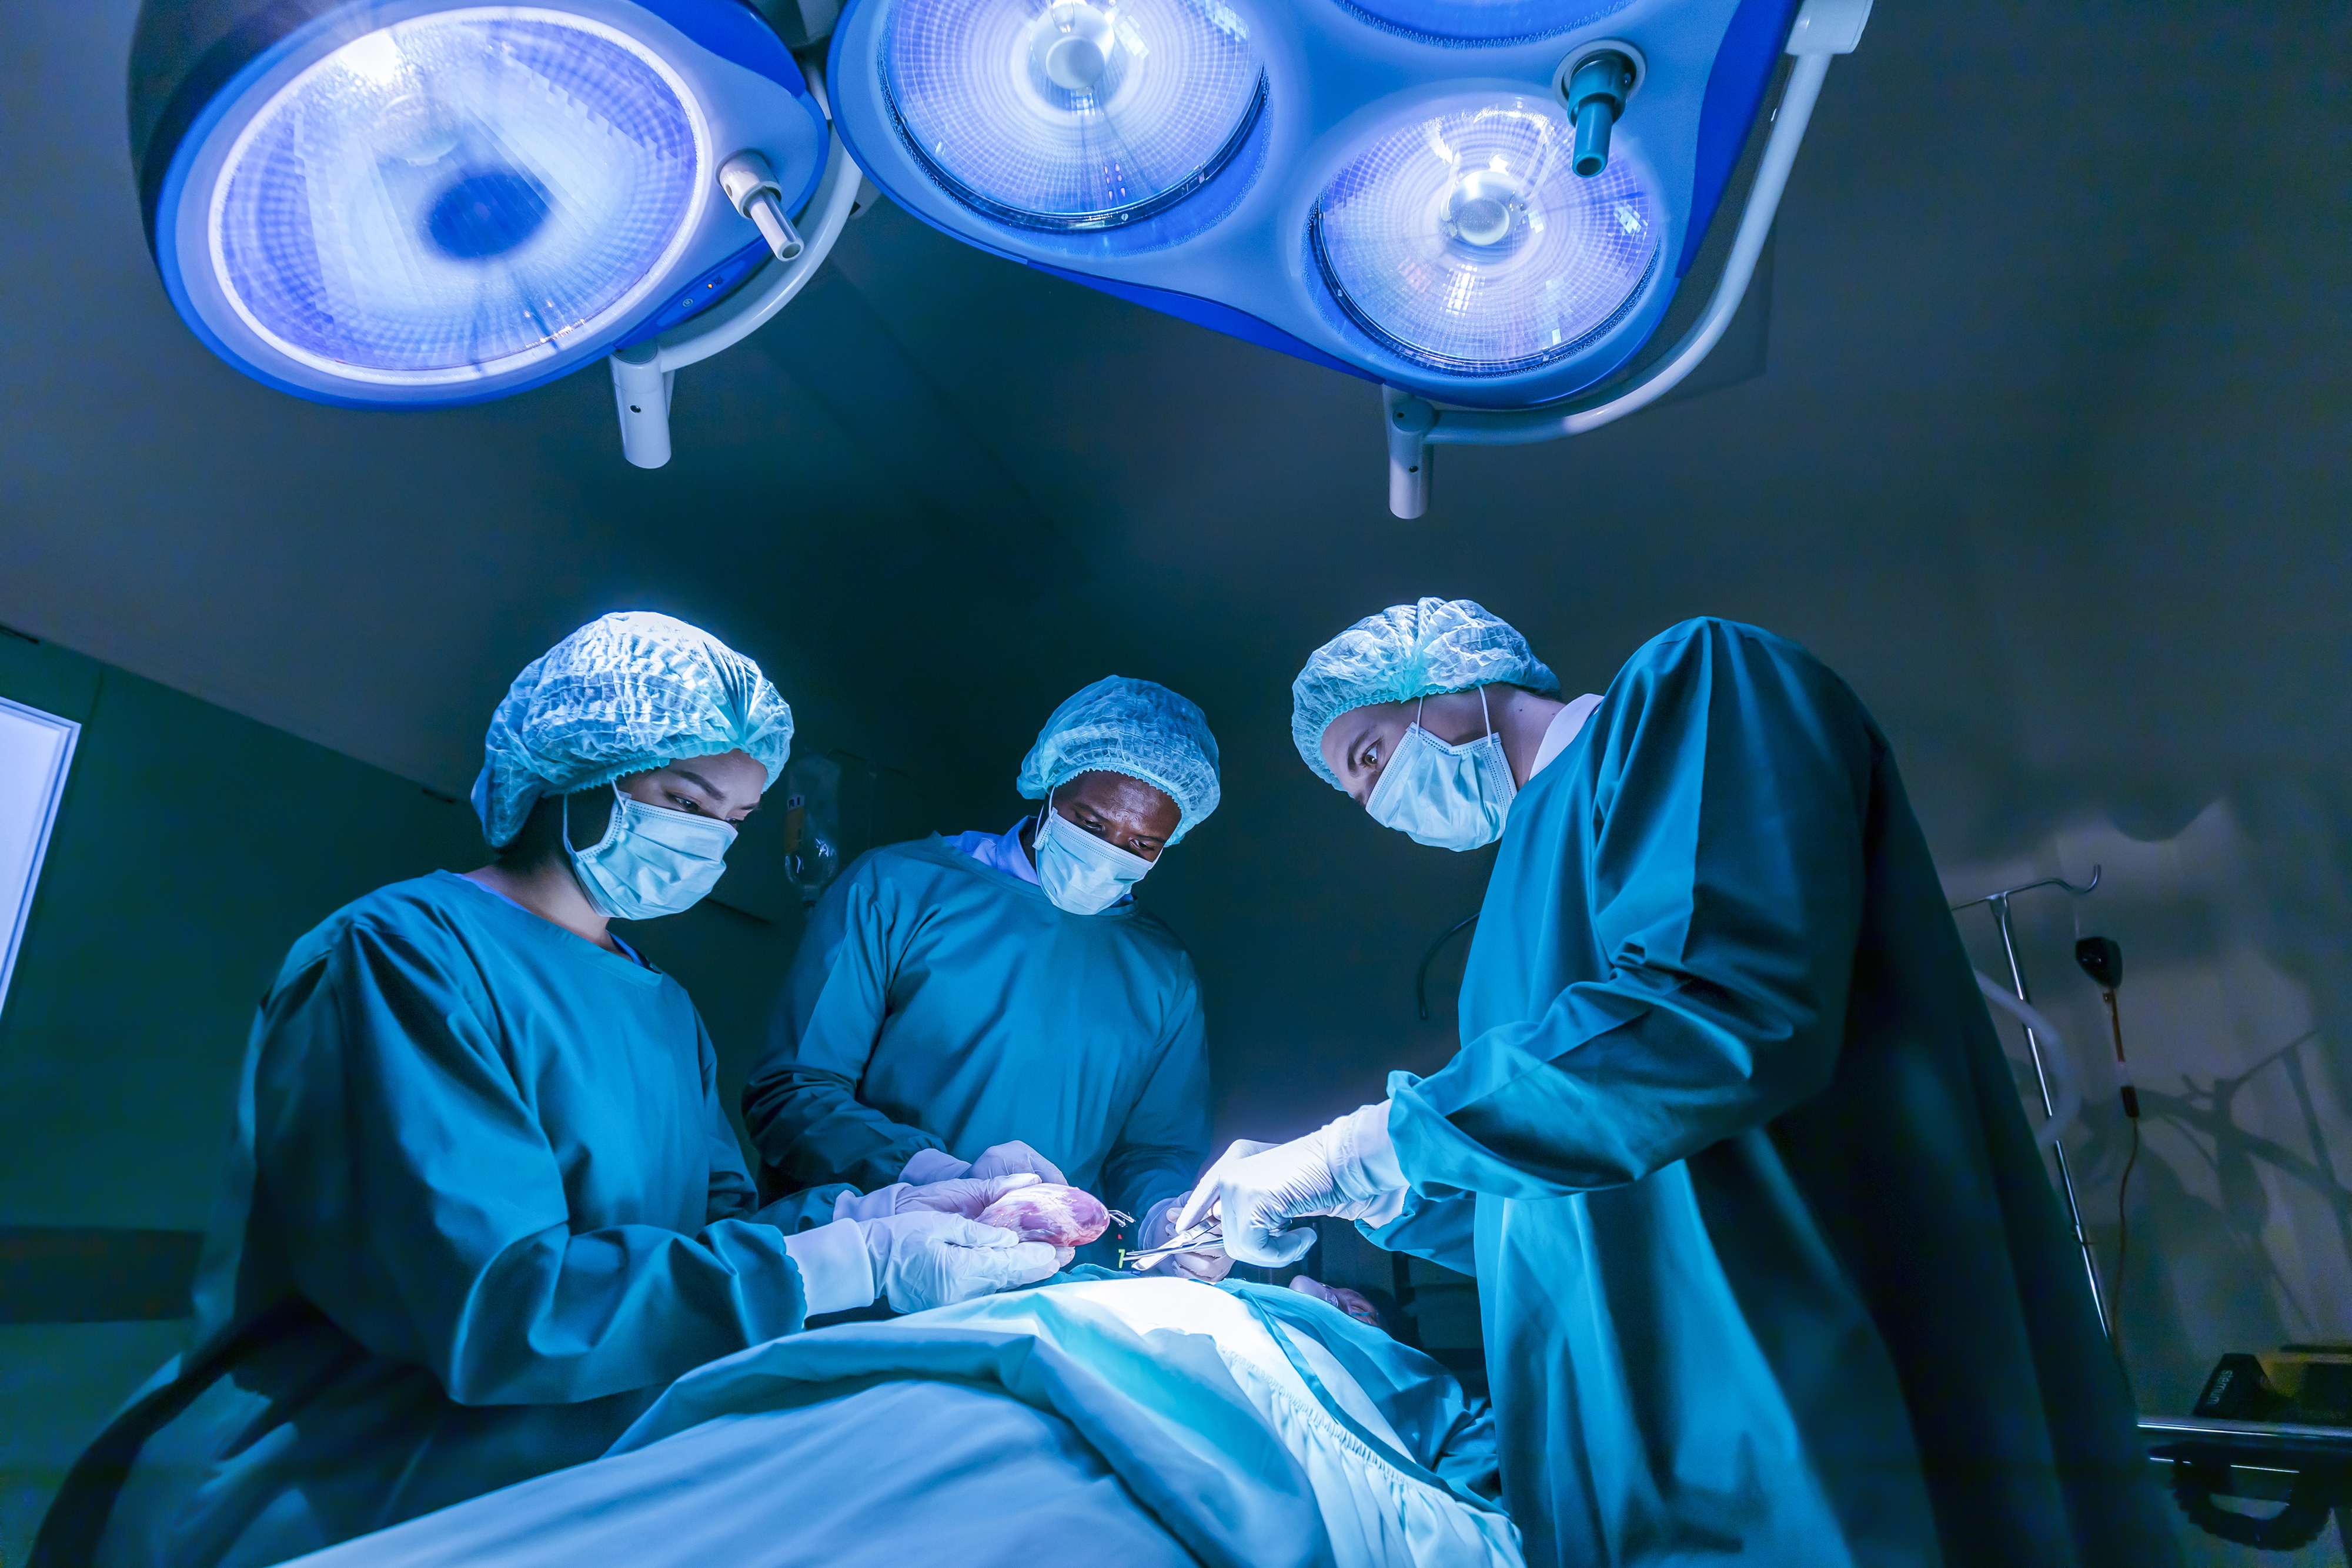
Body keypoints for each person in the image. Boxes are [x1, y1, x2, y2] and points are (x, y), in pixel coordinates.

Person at [1180, 601, 2181, 1567]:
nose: (1377, 804)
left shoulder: (1696, 690)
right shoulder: (1504, 932)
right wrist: (1367, 1193)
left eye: (1370, 757)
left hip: (1808, 1394)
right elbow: (1561, 1181)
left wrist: (1367, 1145)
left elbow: (1710, 1016)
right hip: (1639, 1462)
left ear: (1450, 679)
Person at [47, 613, 1058, 1568]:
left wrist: (891, 1207)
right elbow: (494, 1306)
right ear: (578, 770)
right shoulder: (402, 955)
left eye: (736, 818)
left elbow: (715, 1230)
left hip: (561, 1467)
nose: (711, 841)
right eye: (684, 801)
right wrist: (847, 1263)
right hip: (337, 1487)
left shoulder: (661, 1006)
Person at [743, 676, 1225, 1275]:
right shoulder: (897, 889)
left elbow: (1153, 1149)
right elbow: (794, 1094)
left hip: (1044, 1286)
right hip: (872, 1259)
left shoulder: (1161, 971)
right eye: (1092, 824)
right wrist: (939, 1178)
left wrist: (1163, 1217)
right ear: (1051, 787)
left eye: (1143, 843)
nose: (1111, 851)